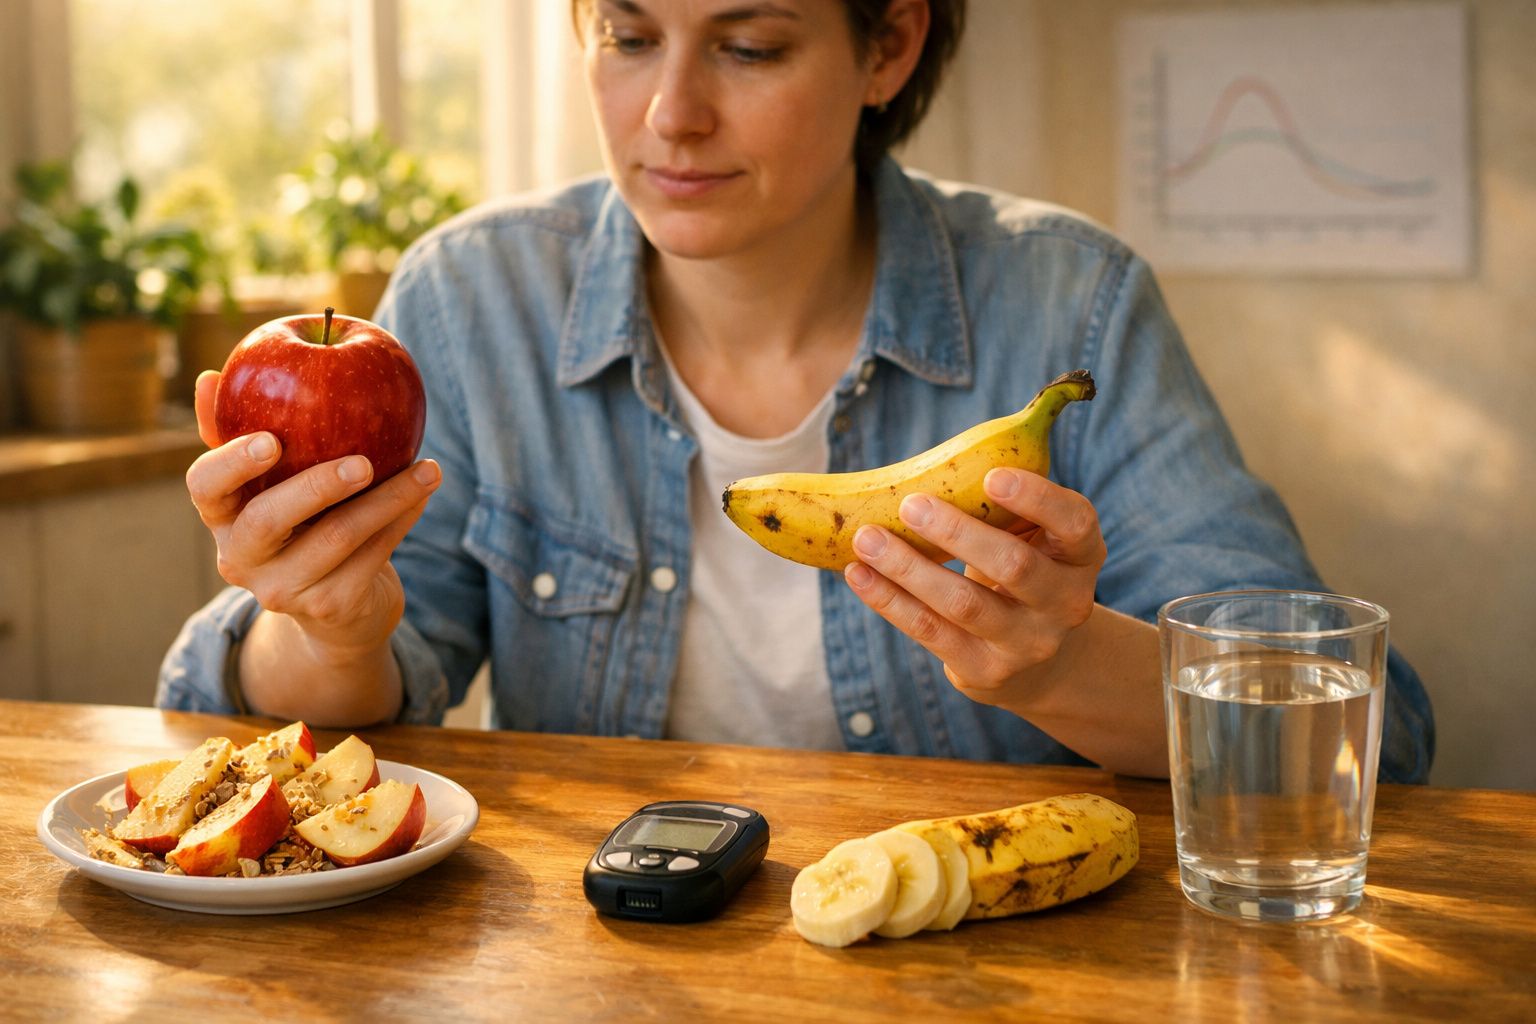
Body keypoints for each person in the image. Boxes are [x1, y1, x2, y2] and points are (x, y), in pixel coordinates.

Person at [158, 0, 1433, 782]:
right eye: (628, 34)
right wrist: (326, 629)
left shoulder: (1069, 304)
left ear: (890, 43)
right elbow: (301, 731)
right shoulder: (474, 295)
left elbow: (1361, 741)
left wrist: (1058, 667)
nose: (670, 115)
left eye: (751, 45)